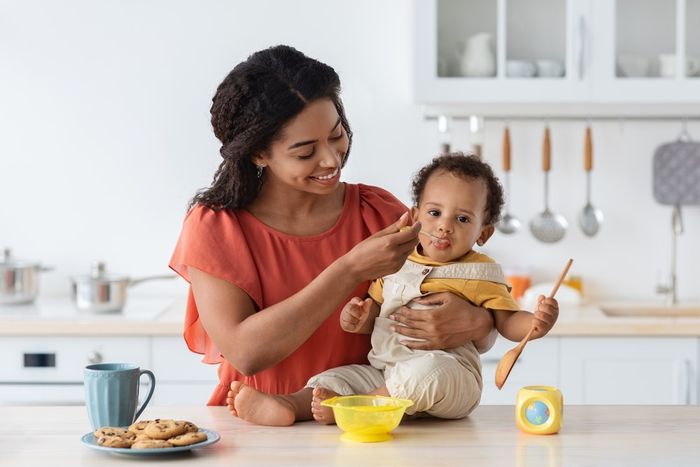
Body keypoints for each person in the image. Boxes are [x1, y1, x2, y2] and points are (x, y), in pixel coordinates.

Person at [169, 45, 497, 412]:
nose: (331, 159)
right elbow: (246, 352)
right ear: (258, 154)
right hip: (257, 430)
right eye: (305, 152)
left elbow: (465, 304)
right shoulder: (217, 227)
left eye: (336, 134)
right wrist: (351, 268)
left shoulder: (380, 213)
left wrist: (477, 321)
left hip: (367, 426)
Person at [226, 153, 560, 426]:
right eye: (434, 213)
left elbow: (506, 322)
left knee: (429, 372)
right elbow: (372, 313)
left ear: (483, 233)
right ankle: (290, 405)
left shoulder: (482, 271)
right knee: (335, 378)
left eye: (462, 220)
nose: (444, 225)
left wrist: (536, 323)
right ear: (414, 215)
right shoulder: (396, 258)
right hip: (383, 370)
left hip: (450, 376)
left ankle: (364, 410)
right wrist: (356, 316)